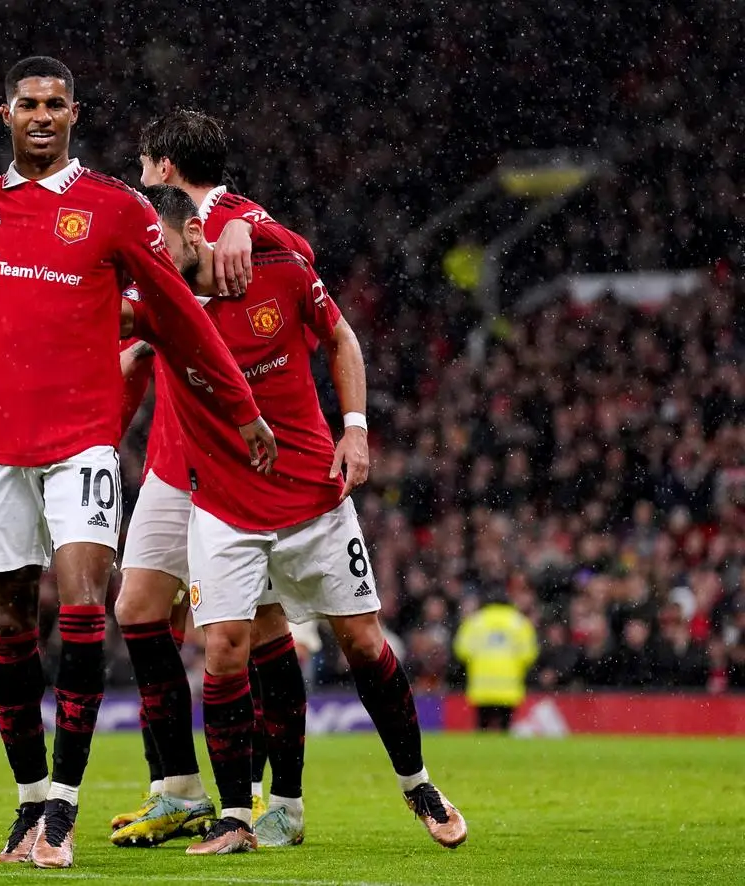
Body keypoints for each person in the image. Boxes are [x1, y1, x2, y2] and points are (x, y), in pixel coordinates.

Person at [0, 56, 276, 869]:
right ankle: (29, 802)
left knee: (81, 608)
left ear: (74, 113)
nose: (41, 115)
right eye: (26, 105)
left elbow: (180, 315)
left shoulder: (113, 209)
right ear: (6, 114)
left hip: (82, 445)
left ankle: (65, 810)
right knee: (11, 628)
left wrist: (242, 407)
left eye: (54, 105)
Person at [125, 185, 468, 855]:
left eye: (160, 244)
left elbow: (339, 336)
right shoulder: (160, 303)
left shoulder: (280, 269)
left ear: (194, 232)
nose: (153, 259)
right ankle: (234, 817)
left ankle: (418, 783)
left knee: (363, 642)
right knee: (223, 649)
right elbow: (88, 319)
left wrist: (356, 428)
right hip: (223, 509)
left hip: (313, 498)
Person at [111, 109, 316, 849]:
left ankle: (280, 799)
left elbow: (300, 253)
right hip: (172, 456)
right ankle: (178, 789)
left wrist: (249, 228)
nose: (137, 180)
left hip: (232, 458)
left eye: (142, 165)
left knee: (257, 629)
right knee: (137, 606)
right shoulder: (155, 230)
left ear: (164, 167)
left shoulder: (232, 217)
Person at [453, 593, 538, 732]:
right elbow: (528, 654)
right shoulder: (519, 622)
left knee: (482, 726)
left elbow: (462, 651)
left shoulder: (475, 621)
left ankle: (481, 751)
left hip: (482, 684)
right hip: (509, 685)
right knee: (505, 727)